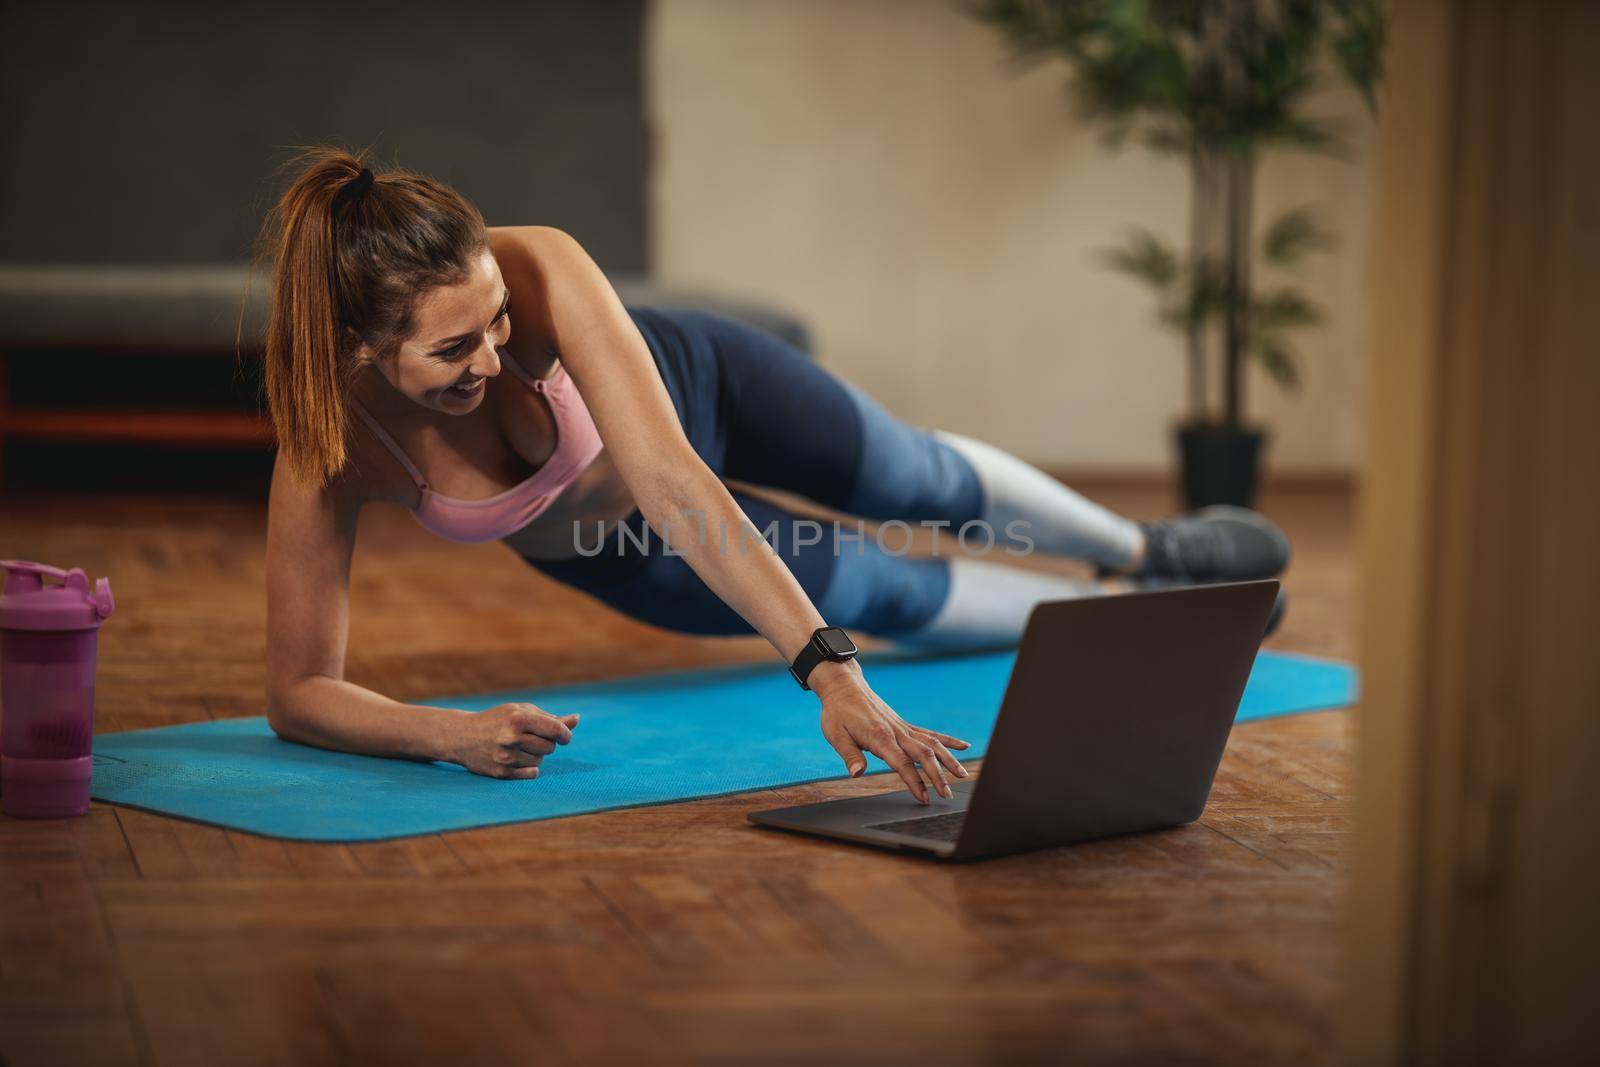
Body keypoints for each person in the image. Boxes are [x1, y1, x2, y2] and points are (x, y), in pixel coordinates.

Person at [259, 148, 1290, 804]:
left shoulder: (541, 263)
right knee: (886, 589)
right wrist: (445, 729)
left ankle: (1146, 548)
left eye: (497, 326)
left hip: (703, 391)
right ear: (357, 347)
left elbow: (674, 479)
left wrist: (831, 674)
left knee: (911, 474)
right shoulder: (327, 450)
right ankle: (1123, 611)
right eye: (451, 353)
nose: (490, 359)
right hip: (616, 551)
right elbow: (299, 691)